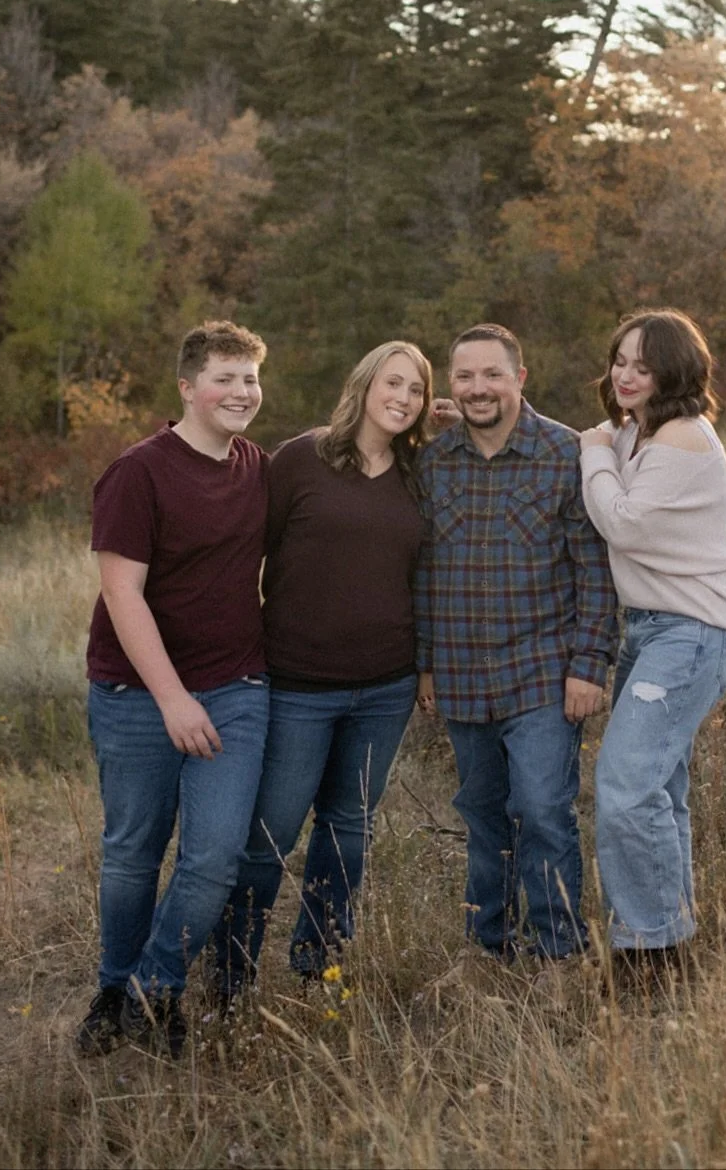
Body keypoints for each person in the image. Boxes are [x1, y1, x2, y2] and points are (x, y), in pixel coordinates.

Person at [76, 321, 270, 1059]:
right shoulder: (139, 472)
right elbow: (123, 596)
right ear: (188, 388)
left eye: (250, 378)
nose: (240, 392)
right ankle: (110, 986)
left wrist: (424, 424)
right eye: (224, 378)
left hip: (237, 687)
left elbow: (344, 452)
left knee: (215, 856)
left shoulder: (257, 467)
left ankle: (151, 990)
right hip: (136, 696)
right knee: (133, 851)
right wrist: (171, 699)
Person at [214, 341, 432, 995]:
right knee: (271, 833)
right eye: (392, 383)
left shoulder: (420, 472)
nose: (402, 398)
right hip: (297, 685)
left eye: (416, 390)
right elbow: (250, 550)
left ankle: (318, 963)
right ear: (364, 384)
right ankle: (231, 972)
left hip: (386, 685)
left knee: (349, 830)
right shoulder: (301, 459)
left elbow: (426, 575)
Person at [415, 324, 618, 962]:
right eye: (465, 377)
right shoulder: (433, 460)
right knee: (481, 816)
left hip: (542, 672)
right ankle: (490, 950)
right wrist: (424, 664)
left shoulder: (565, 454)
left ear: (519, 378)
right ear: (450, 386)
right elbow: (419, 570)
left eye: (492, 374)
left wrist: (589, 665)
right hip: (460, 674)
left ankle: (558, 952)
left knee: (541, 810)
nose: (479, 389)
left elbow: (595, 570)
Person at [579, 309, 726, 968]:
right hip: (652, 632)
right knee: (657, 791)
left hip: (693, 633)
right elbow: (591, 445)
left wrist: (594, 450)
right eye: (619, 360)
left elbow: (621, 520)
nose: (624, 375)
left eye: (641, 366)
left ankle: (647, 952)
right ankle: (669, 945)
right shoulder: (637, 434)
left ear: (671, 371)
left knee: (625, 786)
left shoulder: (682, 437)